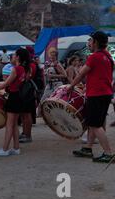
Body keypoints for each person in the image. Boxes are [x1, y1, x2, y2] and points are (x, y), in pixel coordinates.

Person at [69, 31, 114, 163]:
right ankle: (88, 148)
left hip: (96, 94)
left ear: (96, 42)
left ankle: (108, 153)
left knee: (95, 124)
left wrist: (71, 86)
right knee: (94, 122)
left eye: (90, 40)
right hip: (105, 93)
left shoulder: (94, 57)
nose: (89, 43)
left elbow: (81, 74)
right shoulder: (108, 56)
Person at [0, 48, 33, 157]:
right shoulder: (25, 69)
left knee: (9, 124)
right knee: (14, 124)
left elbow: (5, 84)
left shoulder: (16, 69)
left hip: (14, 97)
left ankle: (5, 149)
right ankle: (16, 148)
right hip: (20, 97)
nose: (12, 57)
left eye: (13, 55)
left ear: (17, 57)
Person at [38, 50, 67, 115]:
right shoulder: (49, 64)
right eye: (51, 55)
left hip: (57, 84)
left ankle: (56, 115)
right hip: (49, 84)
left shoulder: (57, 64)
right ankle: (40, 114)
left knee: (56, 100)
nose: (51, 57)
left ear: (56, 56)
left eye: (53, 56)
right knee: (43, 99)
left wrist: (52, 75)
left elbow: (65, 75)